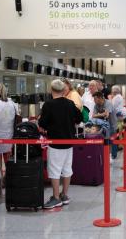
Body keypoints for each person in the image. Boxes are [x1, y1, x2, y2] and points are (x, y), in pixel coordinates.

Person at [39, 79, 83, 209]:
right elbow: (80, 118)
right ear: (63, 90)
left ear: (51, 90)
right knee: (67, 169)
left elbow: (42, 124)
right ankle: (64, 195)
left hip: (55, 142)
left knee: (54, 170)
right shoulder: (70, 103)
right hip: (69, 141)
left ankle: (56, 198)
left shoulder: (48, 104)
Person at [93, 91, 118, 160]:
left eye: (95, 99)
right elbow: (93, 115)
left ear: (100, 98)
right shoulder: (96, 105)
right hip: (104, 126)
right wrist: (102, 114)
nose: (94, 101)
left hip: (112, 125)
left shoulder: (108, 103)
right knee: (106, 141)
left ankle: (113, 156)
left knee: (112, 142)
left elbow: (106, 114)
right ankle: (107, 156)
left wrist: (98, 115)